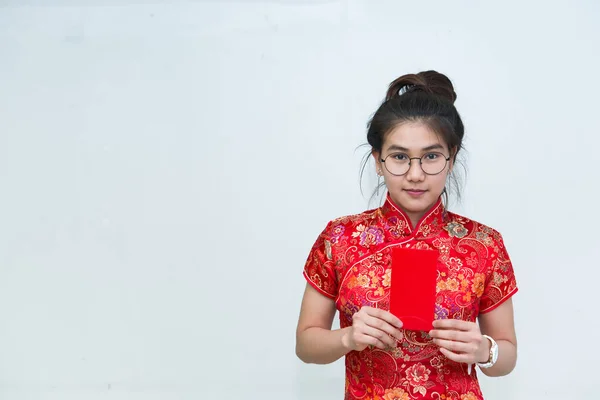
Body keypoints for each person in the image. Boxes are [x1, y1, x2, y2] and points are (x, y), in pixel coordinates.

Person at [295, 71, 518, 400]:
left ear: (451, 158)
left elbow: (507, 355)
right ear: (378, 161)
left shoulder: (484, 244)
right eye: (399, 157)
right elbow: (306, 344)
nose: (415, 174)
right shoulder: (339, 238)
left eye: (431, 156)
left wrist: (485, 350)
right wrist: (348, 338)